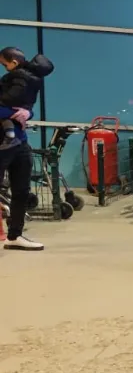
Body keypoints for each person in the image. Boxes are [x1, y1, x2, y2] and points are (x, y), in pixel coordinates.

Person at [0, 47, 53, 250]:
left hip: (19, 142)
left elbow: (26, 108)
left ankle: (14, 236)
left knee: (21, 190)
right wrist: (14, 113)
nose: (5, 68)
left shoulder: (22, 82)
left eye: (5, 64)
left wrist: (26, 114)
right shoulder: (8, 82)